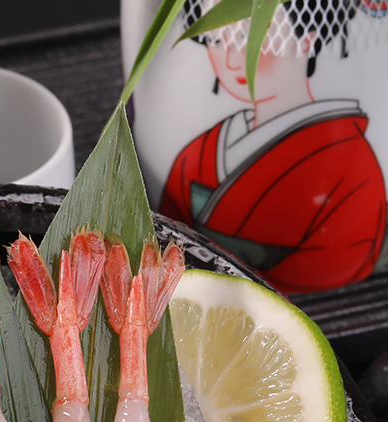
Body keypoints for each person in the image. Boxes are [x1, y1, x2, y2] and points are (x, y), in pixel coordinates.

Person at [159, 0, 386, 293]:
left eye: (249, 37)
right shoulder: (203, 149)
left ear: (307, 40)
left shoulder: (353, 166)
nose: (231, 61)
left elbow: (350, 252)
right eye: (215, 40)